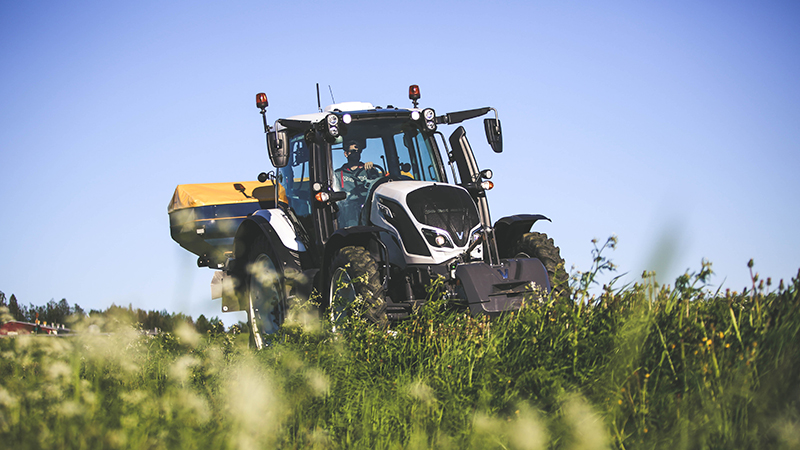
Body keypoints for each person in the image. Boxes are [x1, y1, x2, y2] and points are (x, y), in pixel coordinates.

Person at [333, 141, 383, 227]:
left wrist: (373, 171)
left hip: (367, 207)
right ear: (346, 154)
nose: (356, 153)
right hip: (348, 211)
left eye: (358, 151)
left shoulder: (368, 170)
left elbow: (378, 187)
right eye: (352, 151)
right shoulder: (337, 174)